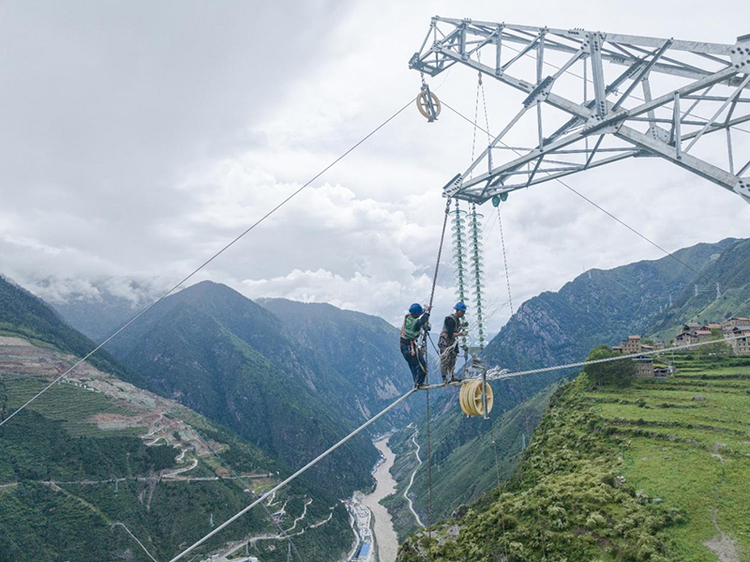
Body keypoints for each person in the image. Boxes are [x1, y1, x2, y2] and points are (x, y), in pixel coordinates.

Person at [400, 303, 431, 387]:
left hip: (405, 346)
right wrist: (427, 313)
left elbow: (419, 318)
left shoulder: (408, 318)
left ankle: (417, 382)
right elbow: (421, 321)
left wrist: (424, 311)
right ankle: (419, 382)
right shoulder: (415, 322)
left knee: (413, 364)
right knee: (421, 365)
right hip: (409, 347)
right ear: (417, 313)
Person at [439, 302, 467, 383]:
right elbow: (450, 334)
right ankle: (444, 378)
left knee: (452, 359)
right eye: (462, 312)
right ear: (458, 311)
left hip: (451, 342)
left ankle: (452, 376)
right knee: (445, 359)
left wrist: (461, 327)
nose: (463, 314)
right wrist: (461, 333)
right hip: (445, 342)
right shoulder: (450, 320)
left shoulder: (456, 320)